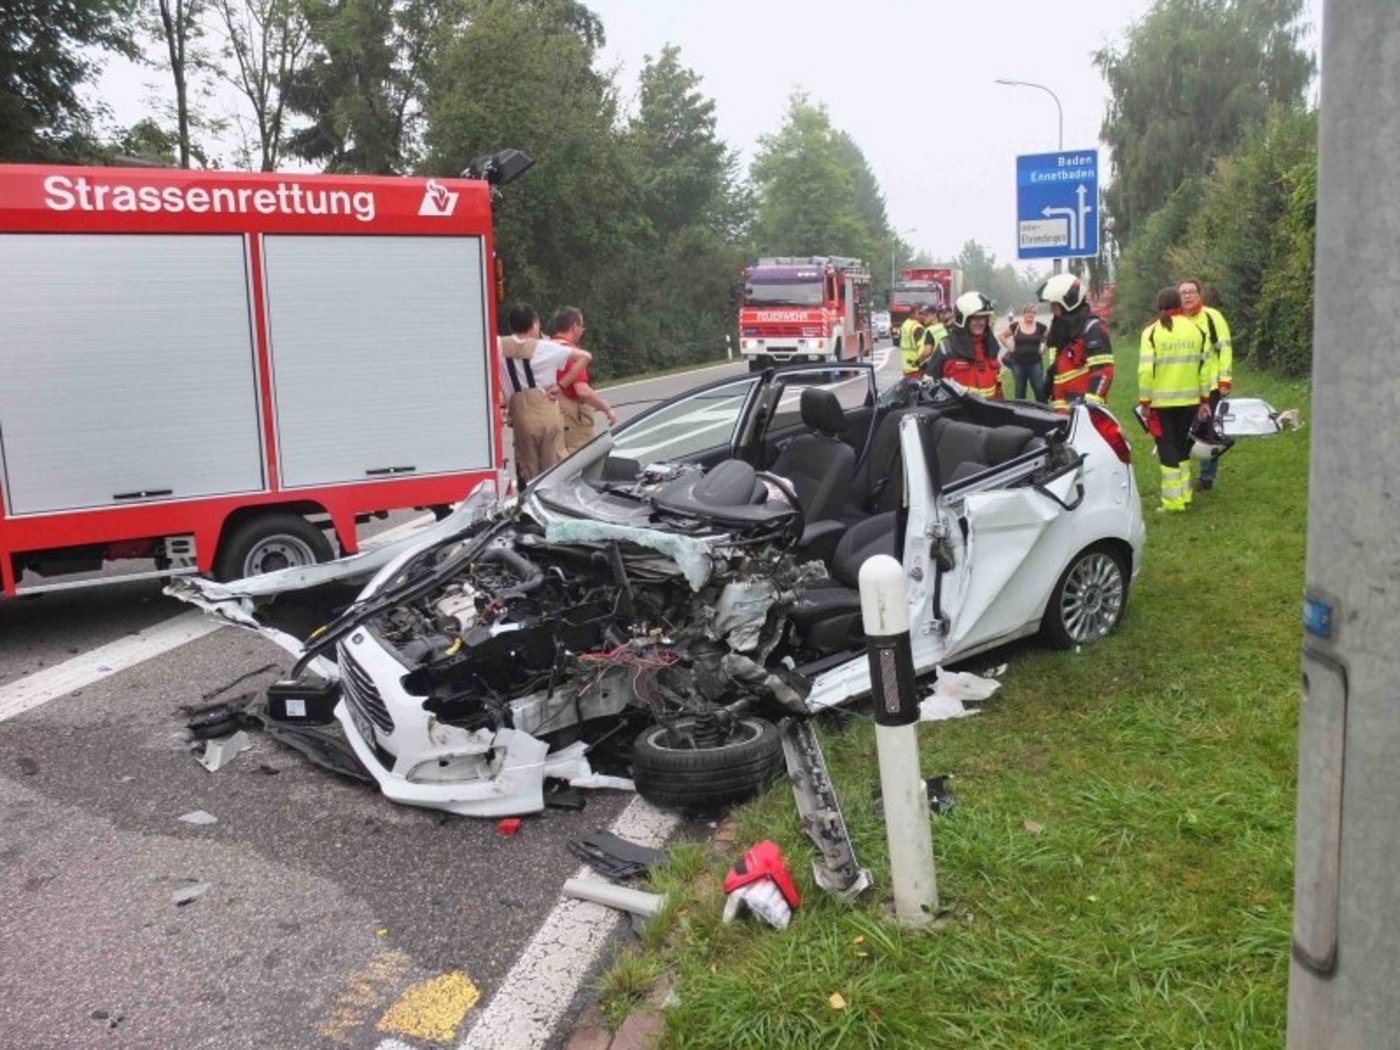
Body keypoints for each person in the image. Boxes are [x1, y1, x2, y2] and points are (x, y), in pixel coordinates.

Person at [498, 303, 590, 483]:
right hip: (548, 415)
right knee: (553, 471)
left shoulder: (498, 345)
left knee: (528, 470)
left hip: (521, 419)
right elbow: (585, 357)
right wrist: (561, 386)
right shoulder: (545, 347)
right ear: (534, 324)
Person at [1138, 286, 1211, 513]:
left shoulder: (1151, 332)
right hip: (1190, 399)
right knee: (1181, 446)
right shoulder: (1196, 330)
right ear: (1179, 304)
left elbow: (1145, 372)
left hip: (1161, 403)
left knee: (1166, 447)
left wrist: (1145, 401)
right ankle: (1185, 494)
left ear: (1159, 306)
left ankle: (1173, 502)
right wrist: (1205, 398)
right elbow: (1205, 367)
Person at [1178, 278, 1233, 491]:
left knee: (1208, 433)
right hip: (1183, 387)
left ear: (1200, 295)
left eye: (1192, 292)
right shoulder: (1176, 320)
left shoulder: (1213, 316)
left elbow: (1225, 348)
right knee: (1183, 431)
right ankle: (1181, 475)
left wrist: (1225, 380)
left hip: (1209, 386)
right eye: (1183, 293)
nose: (1188, 296)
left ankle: (1207, 477)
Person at [1039, 273, 1114, 414]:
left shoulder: (1092, 328)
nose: (1051, 310)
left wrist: (1088, 408)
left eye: (1054, 305)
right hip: (1062, 411)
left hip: (1083, 413)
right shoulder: (1065, 329)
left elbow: (1103, 371)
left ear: (1068, 302)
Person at [550, 306, 616, 453]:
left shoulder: (546, 348)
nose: (582, 330)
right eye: (582, 326)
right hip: (572, 422)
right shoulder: (574, 354)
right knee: (580, 460)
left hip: (551, 416)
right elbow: (582, 391)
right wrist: (607, 408)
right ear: (574, 326)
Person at [925, 291, 1004, 399]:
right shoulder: (947, 348)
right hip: (957, 414)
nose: (981, 322)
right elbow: (928, 387)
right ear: (963, 319)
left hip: (989, 413)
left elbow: (998, 386)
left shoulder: (991, 346)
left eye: (984, 317)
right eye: (976, 318)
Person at [997, 303, 1049, 403]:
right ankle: (1020, 411)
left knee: (1039, 389)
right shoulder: (1016, 326)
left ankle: (1044, 411)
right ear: (1023, 313)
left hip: (1035, 363)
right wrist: (1010, 347)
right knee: (1020, 390)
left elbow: (1051, 338)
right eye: (1028, 312)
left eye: (1033, 312)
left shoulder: (1040, 327)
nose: (1030, 314)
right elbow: (1002, 336)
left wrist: (1043, 351)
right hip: (1018, 364)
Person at [898, 303, 930, 380]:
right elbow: (924, 351)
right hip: (917, 369)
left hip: (907, 368)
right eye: (922, 313)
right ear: (916, 313)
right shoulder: (917, 328)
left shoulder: (905, 324)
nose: (923, 316)